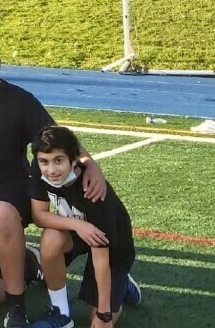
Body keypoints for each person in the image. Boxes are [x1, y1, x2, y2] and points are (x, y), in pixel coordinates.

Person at [0, 34, 109, 328]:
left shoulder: (18, 100)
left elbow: (57, 137)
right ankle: (30, 261)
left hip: (11, 190)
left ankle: (16, 308)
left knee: (0, 212)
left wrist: (89, 163)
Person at [28, 126, 141, 328]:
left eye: (58, 161)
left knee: (98, 323)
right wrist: (78, 225)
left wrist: (104, 313)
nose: (51, 170)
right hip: (79, 229)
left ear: (74, 160)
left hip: (112, 245)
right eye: (44, 161)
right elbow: (39, 215)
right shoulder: (39, 167)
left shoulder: (93, 191)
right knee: (51, 238)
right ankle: (61, 313)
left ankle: (122, 285)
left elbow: (101, 259)